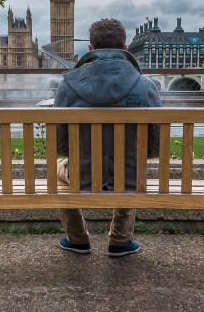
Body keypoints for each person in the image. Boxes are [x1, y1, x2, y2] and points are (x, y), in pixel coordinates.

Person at [54, 19, 161, 257]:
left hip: (81, 175)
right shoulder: (146, 86)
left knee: (58, 169)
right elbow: (154, 149)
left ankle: (78, 238)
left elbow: (61, 146)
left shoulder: (67, 85)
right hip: (129, 177)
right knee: (131, 167)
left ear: (90, 49)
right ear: (125, 49)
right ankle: (120, 240)